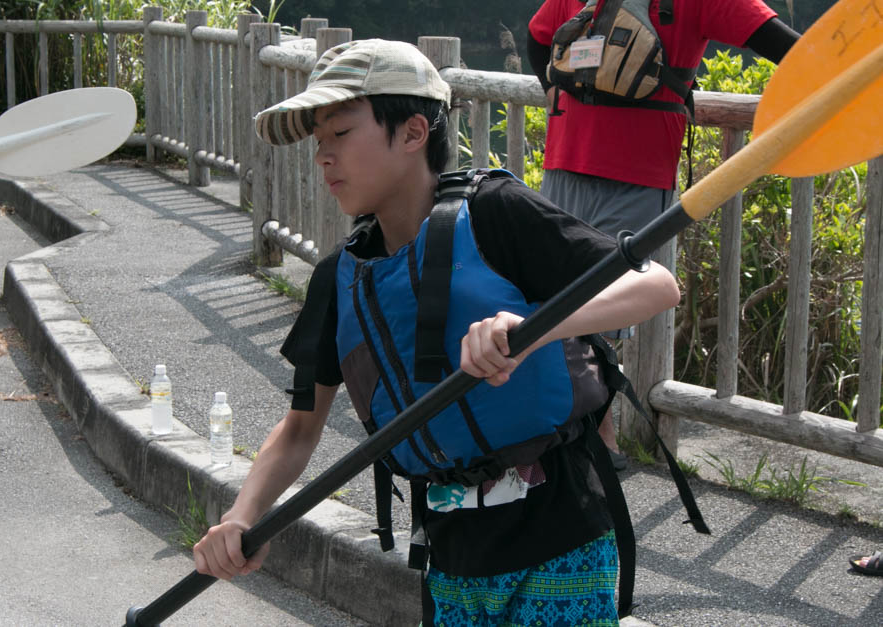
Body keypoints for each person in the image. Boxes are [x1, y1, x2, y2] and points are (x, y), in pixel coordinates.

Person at [192, 38, 681, 625]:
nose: (323, 156)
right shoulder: (338, 280)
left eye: (341, 133)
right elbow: (300, 429)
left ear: (414, 132)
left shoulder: (497, 212)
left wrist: (537, 328)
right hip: (451, 552)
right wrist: (244, 517)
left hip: (562, 529)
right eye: (318, 140)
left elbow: (656, 286)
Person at [527, 0, 800, 468]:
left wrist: (551, 90)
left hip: (567, 152)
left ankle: (581, 435)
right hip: (638, 168)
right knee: (601, 315)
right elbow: (788, 49)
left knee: (557, 300)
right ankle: (597, 440)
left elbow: (537, 38)